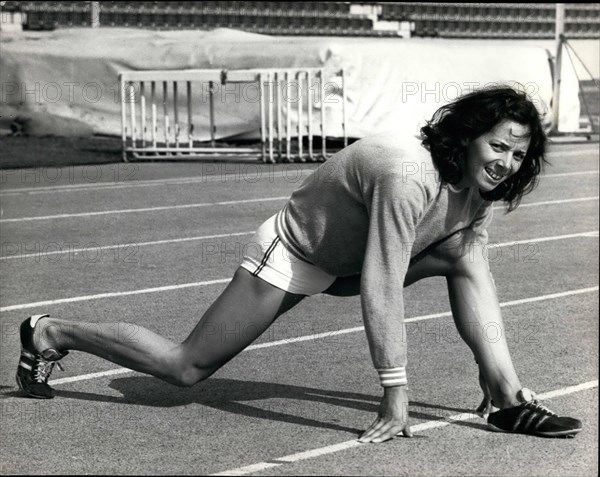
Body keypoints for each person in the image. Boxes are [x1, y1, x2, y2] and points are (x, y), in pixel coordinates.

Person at [16, 86, 582, 441]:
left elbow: (462, 255)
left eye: (517, 152)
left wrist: (490, 362)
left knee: (467, 254)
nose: (507, 162)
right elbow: (382, 284)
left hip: (359, 259)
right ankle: (51, 330)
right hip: (299, 255)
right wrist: (395, 389)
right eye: (497, 146)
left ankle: (506, 396)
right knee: (184, 368)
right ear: (466, 138)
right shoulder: (407, 175)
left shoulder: (481, 186)